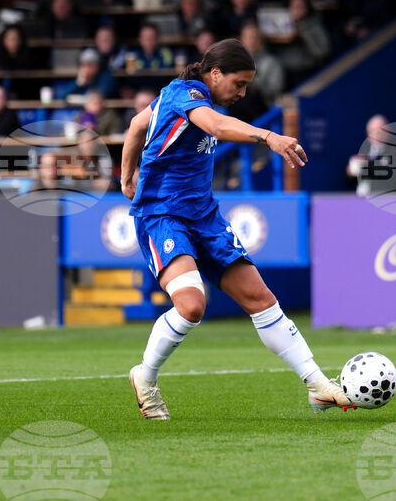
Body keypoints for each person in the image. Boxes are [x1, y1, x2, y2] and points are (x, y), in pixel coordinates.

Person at [120, 38, 352, 419]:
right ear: (215, 74)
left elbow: (134, 126)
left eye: (247, 86)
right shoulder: (185, 94)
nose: (242, 93)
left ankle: (317, 385)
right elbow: (216, 125)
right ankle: (145, 377)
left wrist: (127, 174)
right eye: (238, 84)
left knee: (260, 298)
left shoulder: (175, 97)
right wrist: (269, 136)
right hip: (163, 214)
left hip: (204, 215)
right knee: (193, 305)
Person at [273, 0, 331, 89]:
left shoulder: (315, 25)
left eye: (300, 6)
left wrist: (304, 36)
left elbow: (323, 52)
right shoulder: (281, 25)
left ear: (307, 8)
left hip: (306, 71)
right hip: (283, 73)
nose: (296, 10)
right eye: (293, 6)